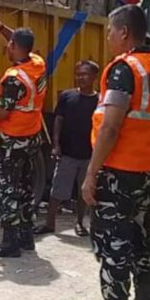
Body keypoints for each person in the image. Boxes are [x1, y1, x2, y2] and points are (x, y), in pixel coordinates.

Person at [76, 5, 150, 300]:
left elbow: (112, 126)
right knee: (144, 239)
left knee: (114, 243)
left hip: (120, 172)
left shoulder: (124, 70)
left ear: (124, 33)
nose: (107, 38)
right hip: (149, 169)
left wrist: (91, 173)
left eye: (109, 31)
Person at [0, 13, 46, 257]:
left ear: (14, 47)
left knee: (6, 189)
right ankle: (26, 238)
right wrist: (0, 28)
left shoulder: (14, 79)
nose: (6, 46)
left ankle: (9, 242)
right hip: (32, 137)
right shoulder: (37, 64)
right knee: (25, 187)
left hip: (14, 139)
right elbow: (20, 43)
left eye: (9, 44)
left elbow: (1, 113)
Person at [36, 60, 99, 237]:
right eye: (78, 74)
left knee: (83, 192)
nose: (80, 77)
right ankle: (49, 223)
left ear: (94, 77)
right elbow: (58, 120)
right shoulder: (67, 96)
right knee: (57, 190)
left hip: (89, 155)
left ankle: (79, 223)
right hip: (68, 153)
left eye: (85, 74)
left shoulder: (99, 100)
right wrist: (55, 145)